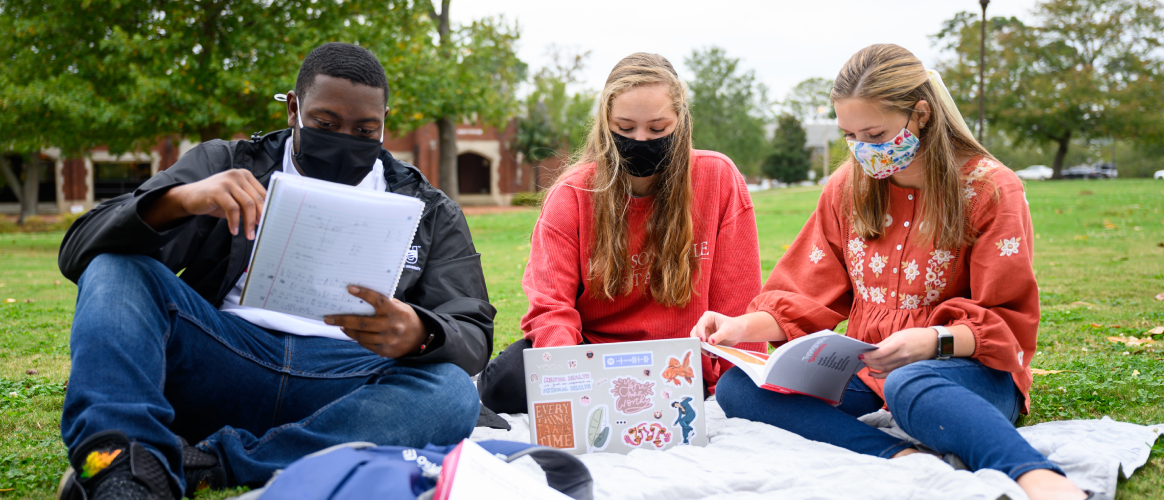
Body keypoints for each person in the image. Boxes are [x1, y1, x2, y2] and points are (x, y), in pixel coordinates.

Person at [56, 42, 494, 500]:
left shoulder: (427, 208)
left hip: (348, 383)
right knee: (115, 267)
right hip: (225, 357)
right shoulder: (225, 165)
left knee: (451, 394)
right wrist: (180, 201)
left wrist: (420, 330)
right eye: (325, 124)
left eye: (365, 130)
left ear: (386, 121)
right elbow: (80, 251)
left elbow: (471, 330)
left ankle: (211, 465)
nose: (344, 139)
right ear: (292, 108)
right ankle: (121, 468)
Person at [692, 44, 1089, 500]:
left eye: (875, 134)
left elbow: (1007, 319)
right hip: (866, 369)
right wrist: (737, 326)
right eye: (850, 136)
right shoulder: (846, 187)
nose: (863, 150)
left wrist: (931, 342)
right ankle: (897, 456)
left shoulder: (990, 188)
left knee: (909, 383)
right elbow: (805, 292)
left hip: (963, 370)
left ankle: (1037, 475)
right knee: (742, 388)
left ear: (920, 114)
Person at [477, 53, 767, 414]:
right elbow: (552, 307)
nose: (641, 139)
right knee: (508, 379)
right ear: (605, 124)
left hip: (683, 362)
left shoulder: (719, 178)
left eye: (658, 129)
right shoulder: (573, 193)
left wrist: (736, 387)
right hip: (594, 356)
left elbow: (737, 303)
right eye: (625, 129)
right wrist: (574, 380)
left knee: (744, 391)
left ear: (681, 122)